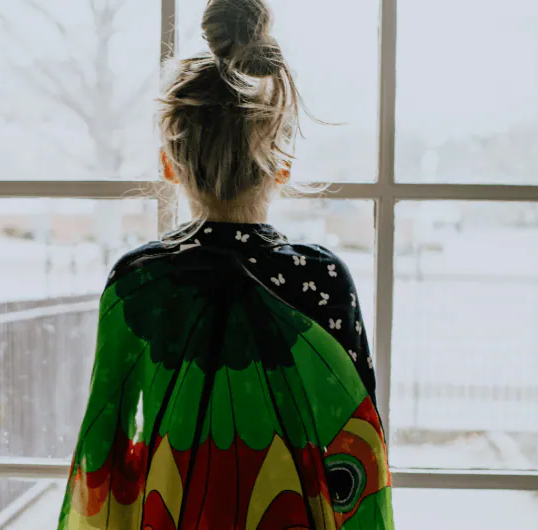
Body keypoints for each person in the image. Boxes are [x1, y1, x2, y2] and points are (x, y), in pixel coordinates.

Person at [57, 0, 394, 528]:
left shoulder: (138, 281)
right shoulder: (321, 277)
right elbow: (359, 436)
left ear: (169, 163)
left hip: (171, 510)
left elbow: (107, 444)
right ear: (282, 166)